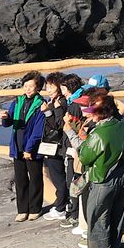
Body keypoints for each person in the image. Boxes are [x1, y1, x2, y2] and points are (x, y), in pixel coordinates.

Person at [74, 88, 124, 248]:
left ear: (102, 113)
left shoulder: (98, 135)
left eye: (93, 112)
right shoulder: (120, 123)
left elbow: (84, 157)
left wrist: (82, 137)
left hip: (103, 180)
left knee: (98, 217)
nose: (89, 115)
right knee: (118, 213)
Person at [0, 72, 47, 221]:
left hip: (32, 148)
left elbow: (39, 131)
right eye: (25, 86)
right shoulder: (17, 101)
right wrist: (5, 118)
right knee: (20, 179)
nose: (27, 89)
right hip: (17, 146)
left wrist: (29, 149)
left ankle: (35, 208)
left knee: (35, 179)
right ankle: (22, 210)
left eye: (31, 86)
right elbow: (9, 123)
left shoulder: (41, 104)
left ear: (38, 88)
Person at [36, 75, 75, 222]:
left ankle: (61, 207)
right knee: (57, 176)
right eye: (47, 86)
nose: (48, 90)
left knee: (59, 178)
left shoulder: (61, 102)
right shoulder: (53, 101)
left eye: (51, 87)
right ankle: (62, 204)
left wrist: (47, 112)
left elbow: (58, 125)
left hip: (57, 146)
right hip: (52, 145)